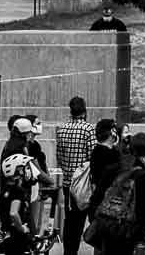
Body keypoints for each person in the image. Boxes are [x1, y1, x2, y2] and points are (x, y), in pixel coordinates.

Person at [51, 98, 94, 255]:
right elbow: (92, 157)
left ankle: (69, 251)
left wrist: (68, 170)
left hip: (68, 182)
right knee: (85, 220)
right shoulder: (88, 129)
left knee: (70, 221)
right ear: (84, 110)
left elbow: (59, 156)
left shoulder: (62, 129)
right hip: (84, 183)